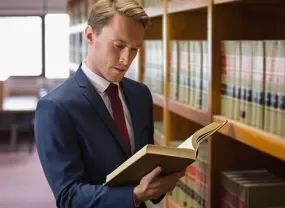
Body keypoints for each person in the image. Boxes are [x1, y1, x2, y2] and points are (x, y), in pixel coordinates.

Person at [34, 0, 185, 207]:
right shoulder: (55, 108)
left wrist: (162, 178)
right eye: (119, 45)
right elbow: (68, 196)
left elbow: (142, 167)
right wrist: (134, 195)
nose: (126, 59)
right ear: (90, 36)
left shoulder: (141, 94)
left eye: (134, 49)